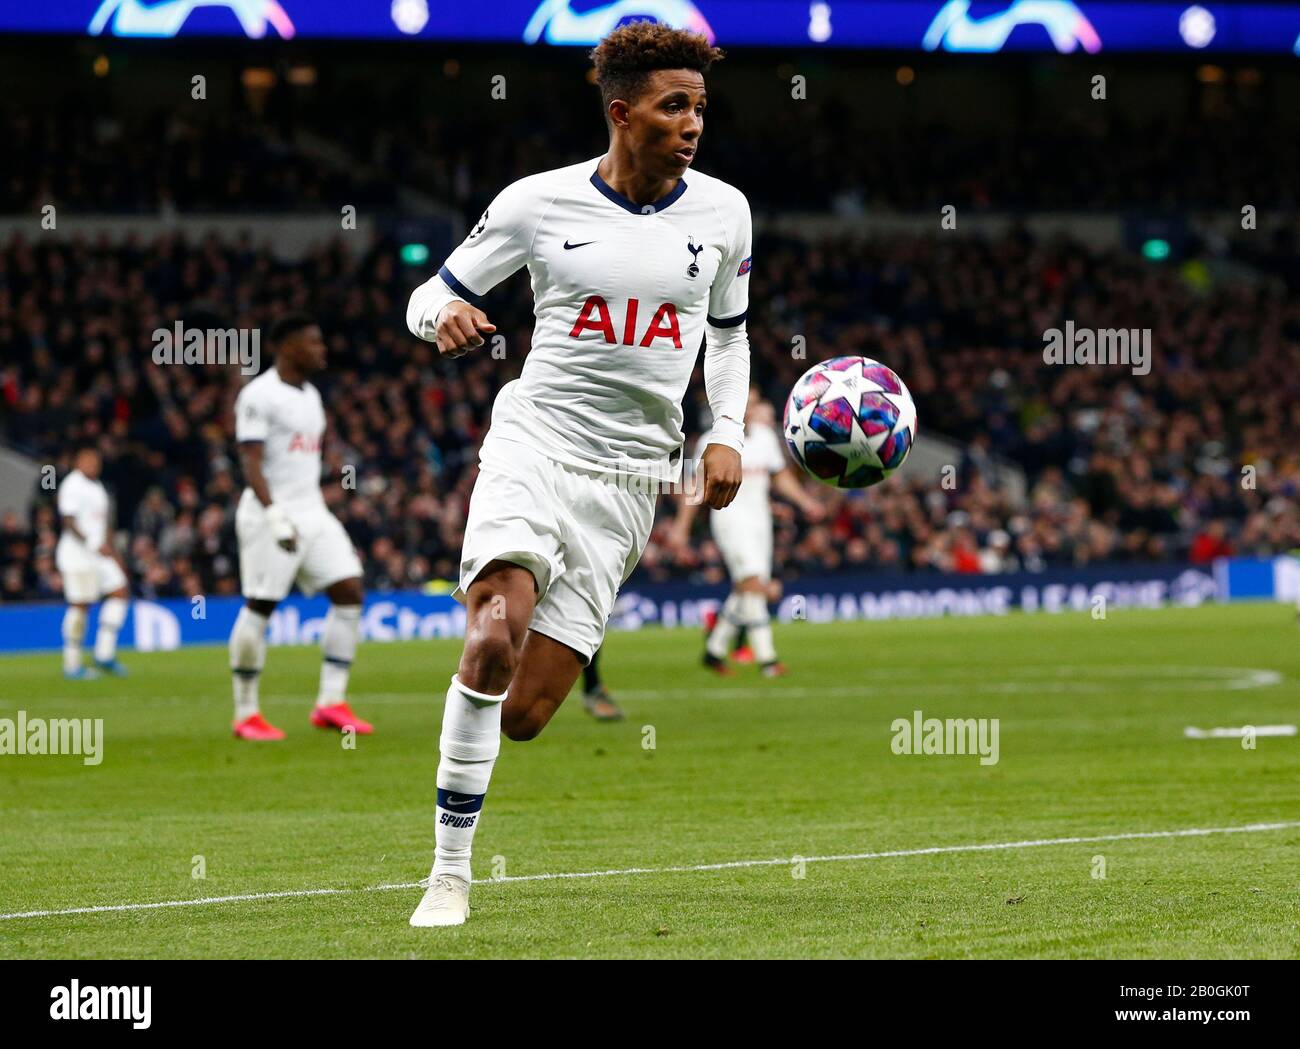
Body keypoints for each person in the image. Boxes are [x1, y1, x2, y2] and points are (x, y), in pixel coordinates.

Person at [403, 22, 750, 926]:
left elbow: (730, 332)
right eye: (676, 106)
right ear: (622, 111)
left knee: (523, 712)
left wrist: (727, 435)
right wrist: (440, 317)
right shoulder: (537, 204)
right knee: (490, 634)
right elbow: (431, 291)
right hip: (535, 442)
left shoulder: (725, 213)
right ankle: (448, 874)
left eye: (701, 107)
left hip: (629, 480)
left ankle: (476, 725)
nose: (693, 124)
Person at [227, 314, 373, 742]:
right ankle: (246, 712)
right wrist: (273, 513)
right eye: (313, 342)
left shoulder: (311, 396)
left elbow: (305, 454)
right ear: (287, 347)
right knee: (261, 605)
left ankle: (330, 701)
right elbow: (250, 460)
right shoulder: (258, 395)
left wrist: (335, 477)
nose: (321, 349)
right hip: (270, 514)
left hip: (312, 510)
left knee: (349, 590)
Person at [669, 390, 823, 676]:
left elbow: (779, 477)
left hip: (760, 521)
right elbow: (695, 486)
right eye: (746, 404)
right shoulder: (712, 441)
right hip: (730, 519)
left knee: (748, 587)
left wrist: (805, 502)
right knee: (754, 584)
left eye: (753, 404)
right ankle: (768, 659)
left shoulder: (764, 438)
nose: (750, 409)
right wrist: (681, 528)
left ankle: (714, 650)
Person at [55, 445, 130, 679]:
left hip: (99, 553)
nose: (93, 465)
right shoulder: (72, 484)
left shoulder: (98, 487)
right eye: (88, 460)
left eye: (96, 461)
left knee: (119, 591)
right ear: (78, 462)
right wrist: (90, 543)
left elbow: (104, 525)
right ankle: (72, 664)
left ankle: (104, 654)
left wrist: (117, 557)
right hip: (77, 555)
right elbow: (68, 520)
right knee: (81, 604)